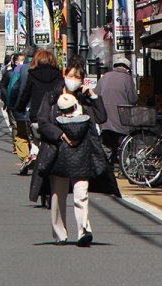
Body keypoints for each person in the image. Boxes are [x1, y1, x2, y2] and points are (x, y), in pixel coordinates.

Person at [37, 55, 108, 246]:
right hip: (59, 151)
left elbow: (102, 117)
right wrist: (61, 135)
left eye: (78, 77)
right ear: (64, 74)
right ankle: (60, 233)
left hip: (82, 152)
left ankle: (84, 230)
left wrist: (93, 96)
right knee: (57, 195)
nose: (73, 80)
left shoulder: (85, 98)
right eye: (71, 75)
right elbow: (42, 121)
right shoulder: (52, 96)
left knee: (81, 193)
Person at [19, 49, 64, 198]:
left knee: (37, 141)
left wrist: (19, 108)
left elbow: (25, 94)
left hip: (36, 119)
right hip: (54, 119)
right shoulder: (58, 75)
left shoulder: (32, 75)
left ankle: (34, 155)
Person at [95, 56, 137, 165]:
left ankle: (105, 166)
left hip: (105, 119)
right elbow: (133, 99)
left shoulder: (104, 77)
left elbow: (96, 95)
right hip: (122, 119)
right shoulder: (127, 79)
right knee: (123, 145)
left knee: (107, 145)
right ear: (127, 68)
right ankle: (124, 165)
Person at [5, 52, 31, 168]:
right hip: (42, 109)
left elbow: (13, 88)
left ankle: (25, 158)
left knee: (22, 135)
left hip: (22, 108)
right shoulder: (53, 70)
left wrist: (10, 104)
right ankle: (36, 156)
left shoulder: (19, 69)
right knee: (37, 135)